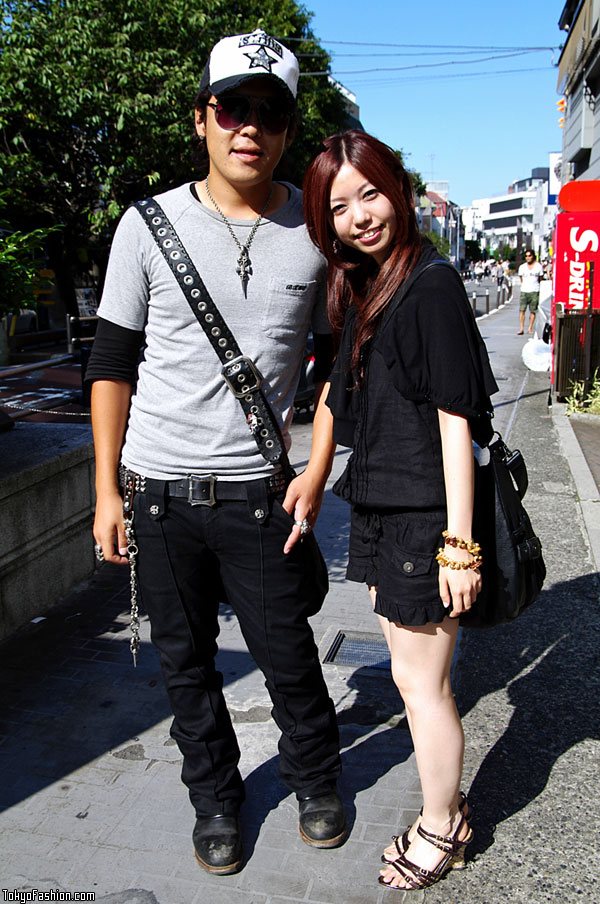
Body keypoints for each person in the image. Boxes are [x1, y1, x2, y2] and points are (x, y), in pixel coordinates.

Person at [86, 29, 346, 875]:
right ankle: (216, 800)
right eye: (234, 107)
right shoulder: (146, 224)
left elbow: (341, 362)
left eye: (270, 113)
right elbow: (111, 364)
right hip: (157, 493)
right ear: (203, 117)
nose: (251, 128)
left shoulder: (314, 232)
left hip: (259, 495)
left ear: (285, 130)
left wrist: (316, 467)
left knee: (289, 656)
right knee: (185, 667)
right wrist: (107, 491)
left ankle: (315, 781)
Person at [303, 131, 498, 892]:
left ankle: (444, 824)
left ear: (398, 189)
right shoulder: (366, 284)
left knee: (423, 687)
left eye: (371, 193)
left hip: (423, 517)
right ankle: (443, 812)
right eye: (339, 206)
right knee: (412, 677)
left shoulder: (430, 284)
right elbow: (343, 401)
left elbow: (458, 420)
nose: (360, 216)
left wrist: (459, 544)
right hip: (383, 510)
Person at [517, 248, 543, 334]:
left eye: (529, 256)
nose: (528, 258)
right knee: (522, 310)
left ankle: (530, 328)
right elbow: (521, 278)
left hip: (535, 290)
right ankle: (521, 328)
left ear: (533, 256)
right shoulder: (522, 267)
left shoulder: (539, 267)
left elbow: (540, 279)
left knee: (533, 310)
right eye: (526, 256)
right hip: (524, 290)